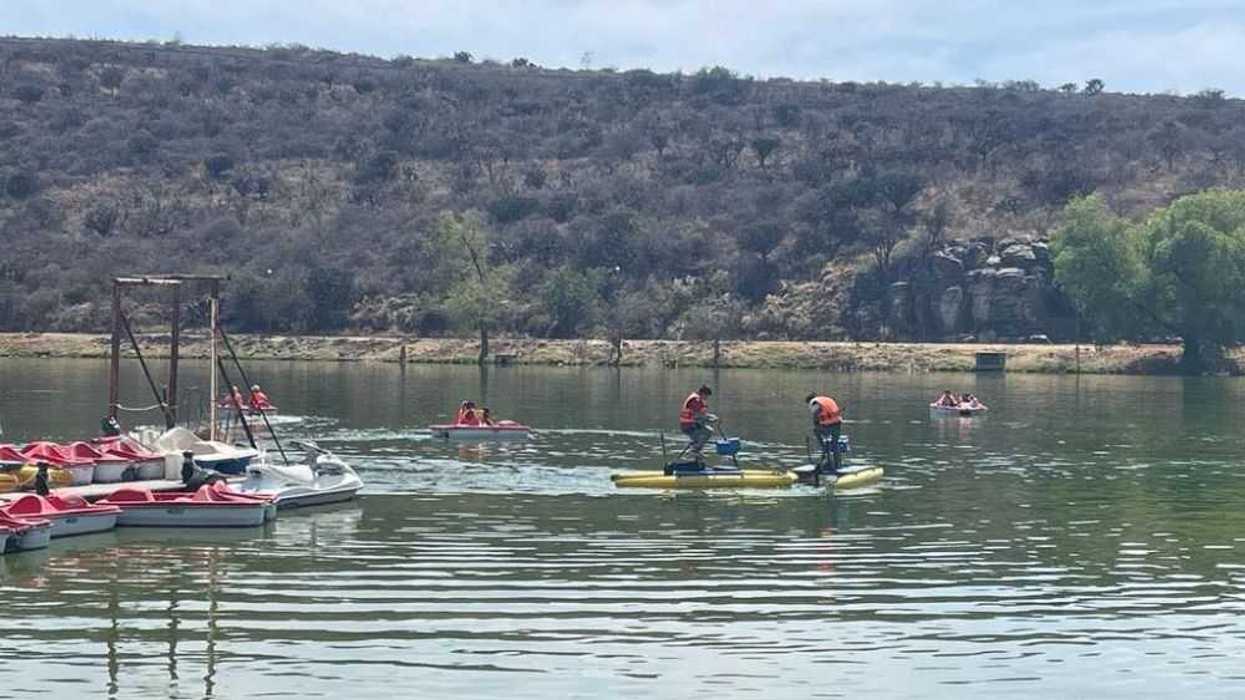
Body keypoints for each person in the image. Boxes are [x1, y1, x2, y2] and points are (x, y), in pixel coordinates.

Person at [806, 393, 844, 474]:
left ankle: (824, 448)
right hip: (837, 423)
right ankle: (837, 465)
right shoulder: (827, 399)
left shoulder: (814, 402)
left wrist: (816, 424)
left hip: (827, 424)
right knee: (835, 444)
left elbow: (816, 413)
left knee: (815, 431)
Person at [678, 385, 716, 464]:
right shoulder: (696, 400)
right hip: (688, 426)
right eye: (707, 396)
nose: (707, 398)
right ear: (703, 393)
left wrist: (712, 417)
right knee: (707, 432)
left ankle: (696, 458)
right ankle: (693, 451)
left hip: (692, 424)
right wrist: (709, 419)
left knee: (706, 432)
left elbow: (701, 414)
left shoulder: (698, 399)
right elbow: (697, 415)